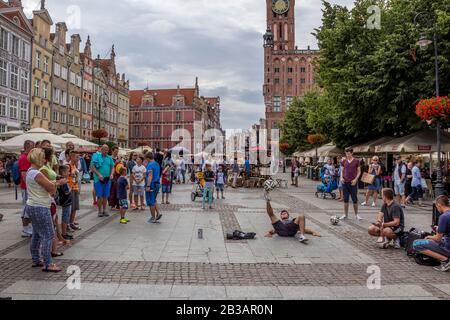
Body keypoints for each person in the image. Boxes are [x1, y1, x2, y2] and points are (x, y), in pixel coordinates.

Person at [25, 148, 67, 273]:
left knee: (37, 234)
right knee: (48, 235)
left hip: (33, 205)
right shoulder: (37, 173)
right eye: (42, 157)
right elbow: (50, 188)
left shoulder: (30, 171)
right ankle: (48, 264)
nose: (44, 160)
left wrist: (54, 183)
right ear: (37, 158)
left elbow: (45, 184)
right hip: (40, 206)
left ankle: (36, 259)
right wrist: (59, 183)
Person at [413, 195, 450, 272]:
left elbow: (438, 238)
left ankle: (446, 260)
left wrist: (429, 237)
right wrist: (438, 228)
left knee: (416, 243)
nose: (437, 208)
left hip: (447, 247)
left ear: (439, 205)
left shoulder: (444, 217)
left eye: (436, 206)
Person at [91, 145, 115, 217]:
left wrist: (111, 174)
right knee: (99, 196)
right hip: (98, 179)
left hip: (107, 179)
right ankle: (99, 211)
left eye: (107, 150)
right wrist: (98, 174)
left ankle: (105, 210)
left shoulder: (109, 158)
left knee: (106, 196)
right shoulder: (96, 156)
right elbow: (92, 167)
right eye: (104, 150)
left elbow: (112, 167)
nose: (106, 151)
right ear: (101, 150)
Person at [340, 148, 362, 220]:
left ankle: (356, 215)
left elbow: (359, 171)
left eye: (349, 153)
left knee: (354, 199)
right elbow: (342, 171)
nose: (347, 155)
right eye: (346, 153)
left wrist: (356, 179)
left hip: (353, 182)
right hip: (345, 182)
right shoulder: (343, 161)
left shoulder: (356, 161)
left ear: (352, 153)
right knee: (345, 199)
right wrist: (341, 178)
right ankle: (345, 214)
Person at [19, 140, 35, 237]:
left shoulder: (28, 157)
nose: (33, 150)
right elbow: (24, 175)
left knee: (29, 207)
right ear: (27, 148)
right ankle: (25, 229)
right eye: (32, 148)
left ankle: (28, 227)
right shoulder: (24, 158)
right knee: (26, 207)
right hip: (26, 187)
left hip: (28, 187)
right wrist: (30, 187)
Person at [57, 165, 73, 241]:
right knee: (65, 217)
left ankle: (64, 232)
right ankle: (63, 233)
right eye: (67, 171)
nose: (69, 172)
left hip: (66, 201)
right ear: (63, 172)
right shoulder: (63, 180)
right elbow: (66, 192)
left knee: (66, 216)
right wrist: (71, 188)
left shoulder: (62, 179)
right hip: (66, 201)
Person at [145, 153, 162, 224]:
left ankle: (153, 218)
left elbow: (150, 175)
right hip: (157, 183)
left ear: (148, 158)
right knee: (154, 200)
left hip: (152, 184)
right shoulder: (157, 164)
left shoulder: (150, 165)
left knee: (151, 201)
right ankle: (158, 213)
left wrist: (148, 185)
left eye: (146, 159)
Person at [68, 151, 81, 232]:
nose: (78, 158)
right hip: (71, 188)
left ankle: (71, 223)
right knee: (71, 208)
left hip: (75, 188)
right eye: (76, 157)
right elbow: (65, 175)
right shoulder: (68, 165)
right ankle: (68, 224)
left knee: (75, 207)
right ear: (71, 157)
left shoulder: (74, 166)